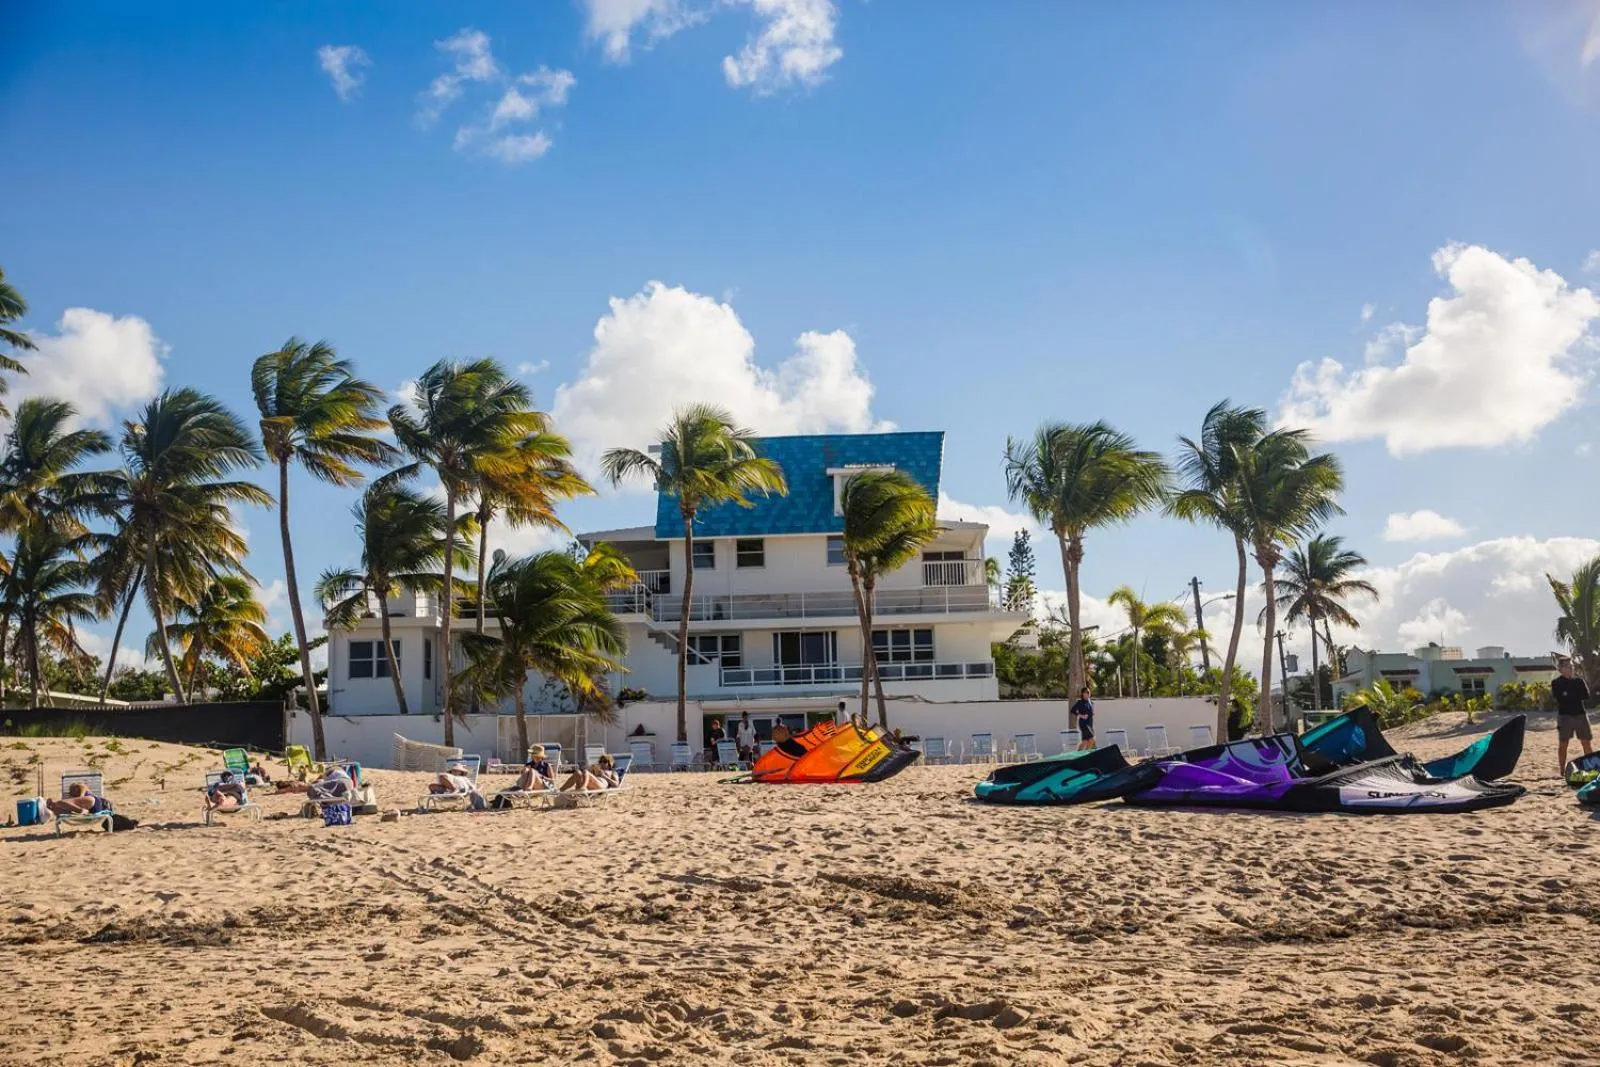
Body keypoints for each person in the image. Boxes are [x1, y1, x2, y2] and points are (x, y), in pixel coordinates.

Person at [1553, 659, 1592, 775]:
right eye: (1568, 667)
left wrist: (1568, 693)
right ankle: (1562, 770)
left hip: (1581, 715)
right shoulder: (1556, 682)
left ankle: (1591, 768)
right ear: (1561, 669)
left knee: (1586, 743)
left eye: (1572, 666)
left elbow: (1586, 695)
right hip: (1565, 717)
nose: (1571, 668)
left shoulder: (1579, 681)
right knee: (1563, 744)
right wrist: (1571, 694)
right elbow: (1559, 698)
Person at [1071, 686, 1095, 751]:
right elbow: (1073, 710)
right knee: (1091, 739)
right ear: (1082, 694)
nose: (1088, 693)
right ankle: (1079, 754)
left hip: (1090, 723)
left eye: (1088, 692)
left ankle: (1083, 754)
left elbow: (1091, 712)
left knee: (1086, 741)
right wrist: (1081, 715)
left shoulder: (1091, 702)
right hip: (1084, 724)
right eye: (1086, 692)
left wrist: (1092, 713)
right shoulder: (1080, 702)